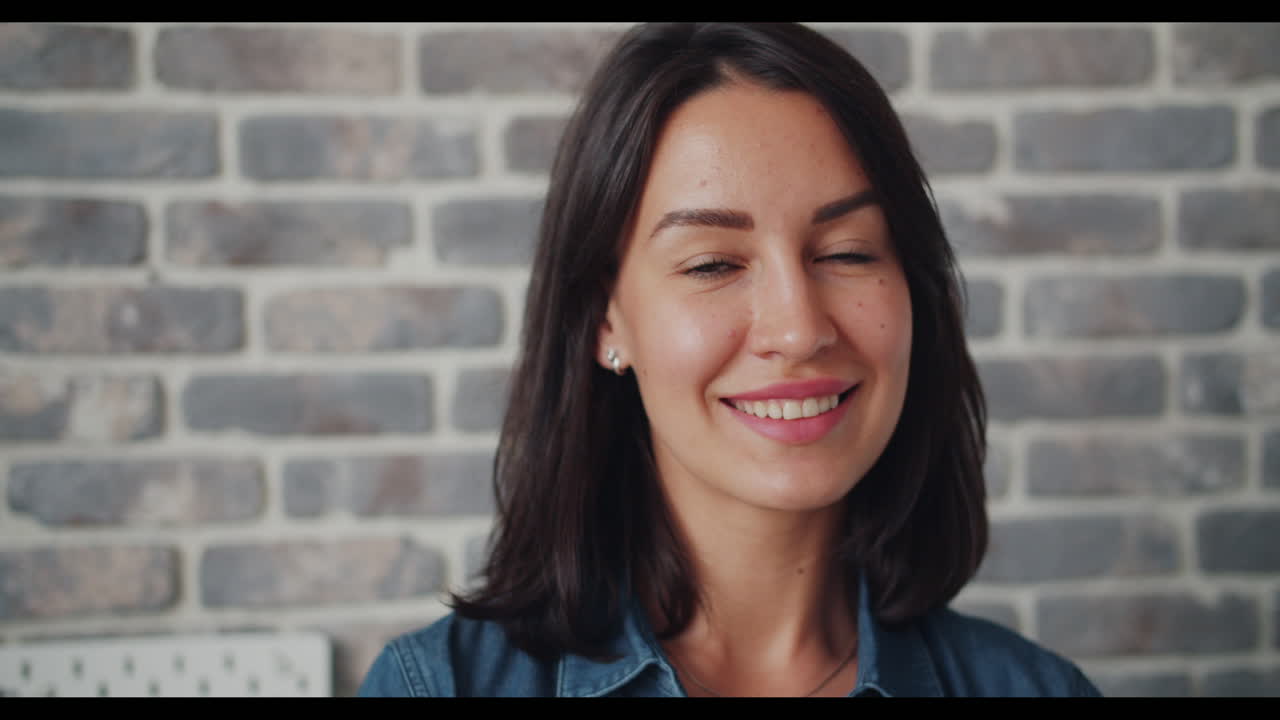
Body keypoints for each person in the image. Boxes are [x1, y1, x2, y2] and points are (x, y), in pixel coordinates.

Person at [358, 22, 1102, 697]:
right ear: (605, 320)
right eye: (713, 264)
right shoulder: (442, 686)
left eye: (847, 252)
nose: (799, 327)